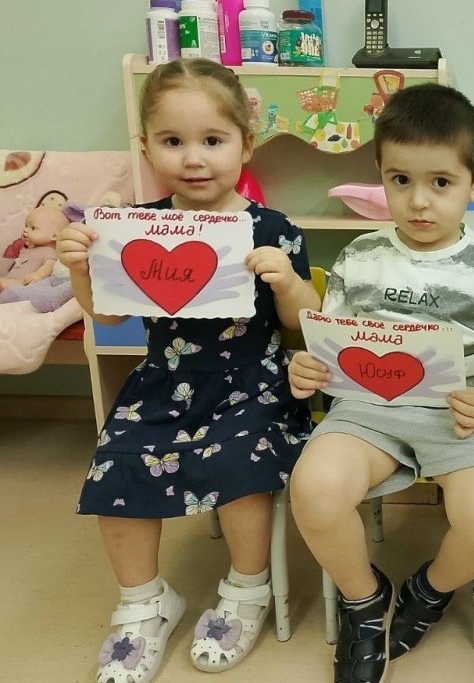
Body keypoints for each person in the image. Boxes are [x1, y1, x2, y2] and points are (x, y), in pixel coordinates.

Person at [56, 58, 319, 683]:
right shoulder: (135, 227)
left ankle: (247, 589)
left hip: (254, 382)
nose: (194, 158)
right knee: (117, 460)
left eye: (213, 140)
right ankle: (144, 602)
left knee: (239, 464)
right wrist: (80, 269)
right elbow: (108, 313)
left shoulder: (272, 229)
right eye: (173, 141)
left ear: (245, 145)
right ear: (147, 147)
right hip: (163, 381)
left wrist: (287, 282)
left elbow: (306, 322)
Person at [288, 82, 474, 683]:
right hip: (366, 410)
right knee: (313, 489)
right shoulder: (358, 257)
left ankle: (428, 589)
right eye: (401, 180)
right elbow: (329, 342)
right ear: (381, 176)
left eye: (441, 183)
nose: (419, 201)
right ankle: (364, 602)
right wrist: (307, 367)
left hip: (460, 417)